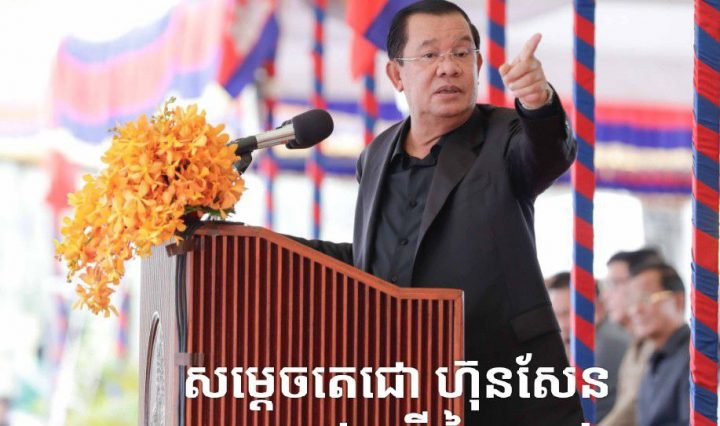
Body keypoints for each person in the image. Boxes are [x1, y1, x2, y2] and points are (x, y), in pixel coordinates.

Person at [291, 1, 583, 423]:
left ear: (478, 65)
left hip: (505, 384)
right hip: (405, 387)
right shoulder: (376, 155)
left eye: (461, 53)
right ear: (396, 75)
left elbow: (549, 152)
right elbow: (373, 262)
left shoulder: (505, 136)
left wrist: (539, 103)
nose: (448, 67)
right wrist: (259, 245)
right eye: (429, 55)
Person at [546, 272, 630, 423]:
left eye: (567, 314)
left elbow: (592, 412)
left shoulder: (608, 344)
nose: (561, 325)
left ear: (596, 307)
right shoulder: (582, 344)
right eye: (555, 316)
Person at [599, 248, 662, 426]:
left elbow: (632, 410)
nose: (605, 296)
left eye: (615, 284)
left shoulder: (657, 345)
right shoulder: (635, 346)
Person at [626, 261, 688, 426]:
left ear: (678, 300)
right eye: (632, 301)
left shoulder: (697, 358)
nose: (636, 310)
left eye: (646, 298)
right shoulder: (654, 358)